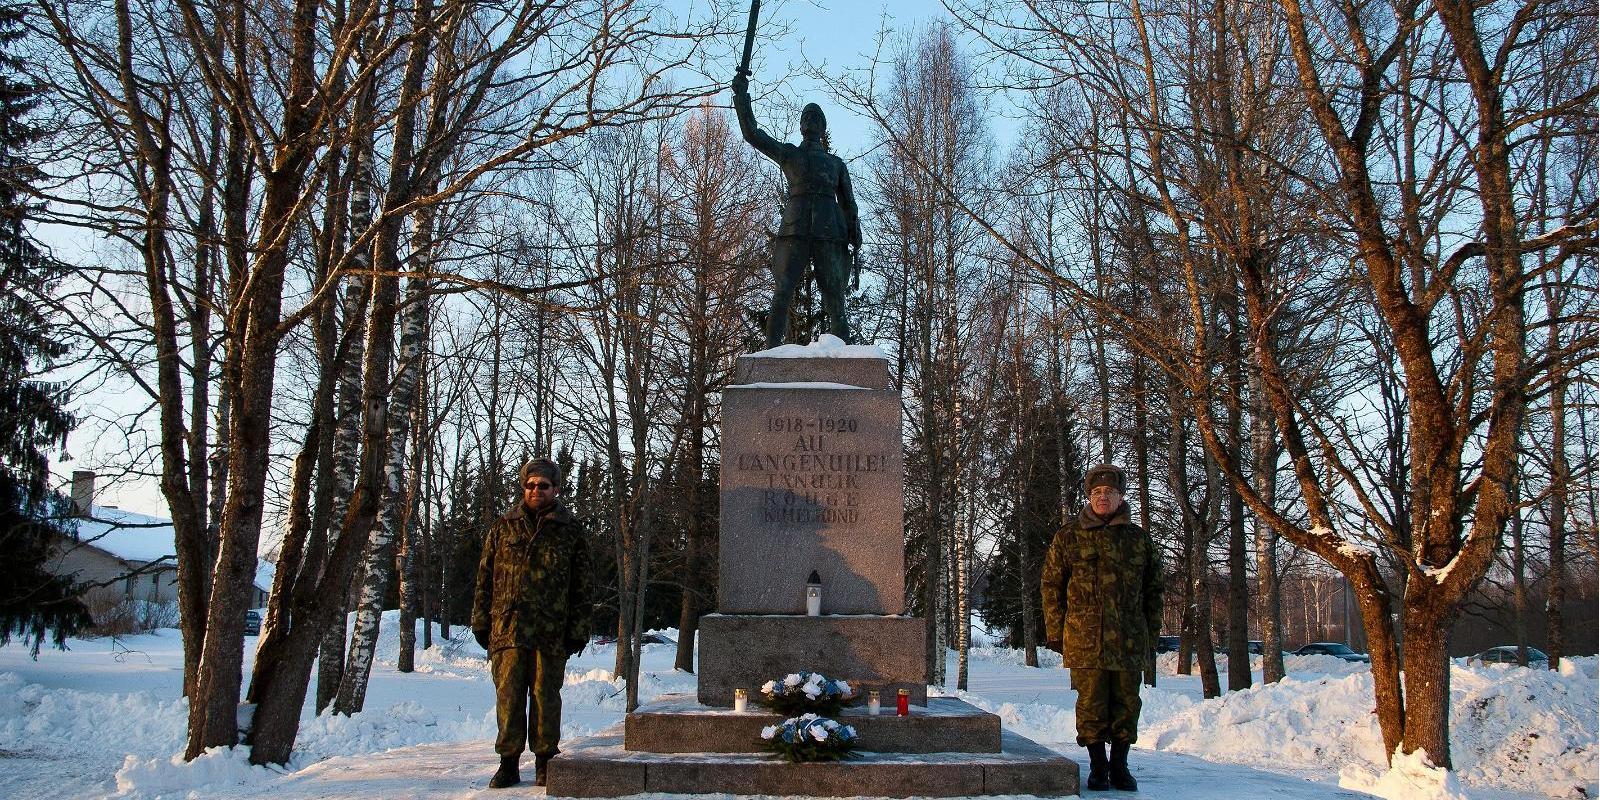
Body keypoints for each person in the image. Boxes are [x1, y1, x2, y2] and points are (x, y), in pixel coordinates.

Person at [1040, 464, 1163, 792]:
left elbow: (1154, 590)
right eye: (1096, 493)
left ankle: (1120, 765)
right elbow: (1052, 583)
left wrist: (1151, 634)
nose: (1102, 498)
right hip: (1085, 639)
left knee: (1126, 703)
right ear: (1089, 497)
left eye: (1109, 492)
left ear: (1121, 496)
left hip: (1128, 639)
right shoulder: (1069, 536)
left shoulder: (1138, 540)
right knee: (1091, 703)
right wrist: (1055, 631)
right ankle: (1097, 766)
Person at [473, 458, 591, 788]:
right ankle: (508, 762)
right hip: (508, 629)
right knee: (509, 697)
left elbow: (582, 586)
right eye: (530, 485)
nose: (536, 490)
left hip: (550, 632)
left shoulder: (570, 531)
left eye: (543, 485)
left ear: (555, 489)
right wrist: (481, 622)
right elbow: (485, 578)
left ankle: (545, 761)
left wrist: (578, 630)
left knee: (545, 697)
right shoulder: (503, 527)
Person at [730, 71, 862, 347]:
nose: (811, 119)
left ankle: (845, 357)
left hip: (829, 232)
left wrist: (855, 229)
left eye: (816, 116)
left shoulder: (837, 165)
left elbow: (849, 205)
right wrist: (742, 98)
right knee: (783, 292)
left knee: (834, 296)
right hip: (795, 229)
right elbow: (753, 134)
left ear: (823, 127)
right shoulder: (790, 153)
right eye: (806, 116)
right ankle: (771, 352)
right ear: (801, 125)